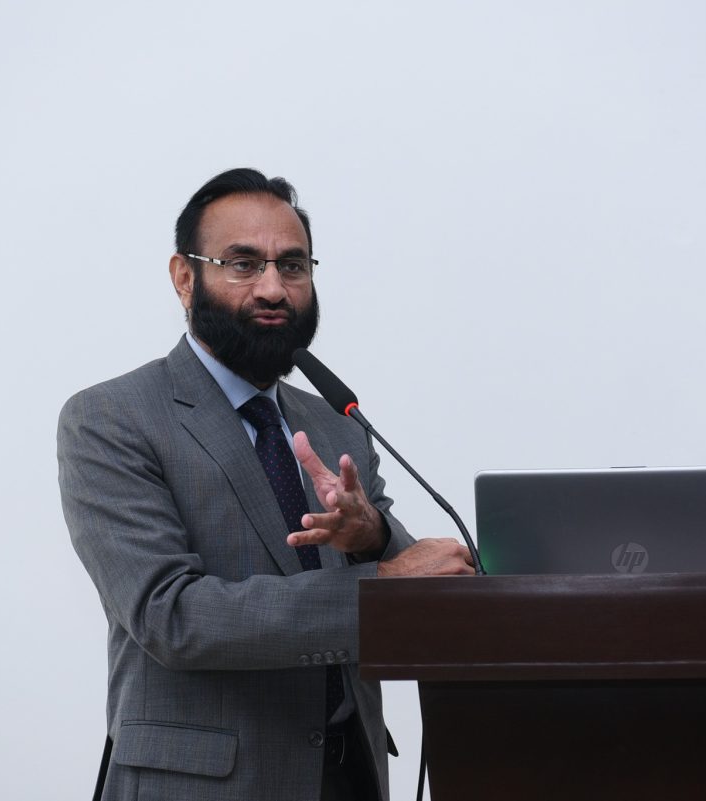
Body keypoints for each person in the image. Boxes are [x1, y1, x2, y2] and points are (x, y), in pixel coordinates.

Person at [57, 168, 475, 801]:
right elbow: (172, 617)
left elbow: (409, 592)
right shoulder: (111, 418)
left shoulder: (336, 423)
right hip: (204, 785)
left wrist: (373, 537)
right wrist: (380, 582)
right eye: (243, 264)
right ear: (184, 277)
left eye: (293, 266)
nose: (274, 288)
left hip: (350, 776)